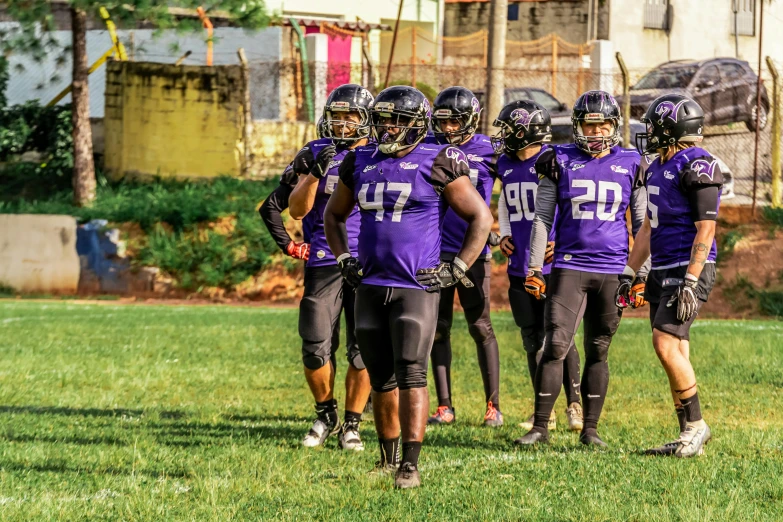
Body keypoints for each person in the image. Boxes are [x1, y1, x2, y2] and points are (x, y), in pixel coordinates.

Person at [324, 85, 492, 489]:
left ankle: (410, 466)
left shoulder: (437, 159)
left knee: (412, 372)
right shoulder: (360, 160)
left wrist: (457, 267)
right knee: (380, 374)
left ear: (417, 124)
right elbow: (334, 215)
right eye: (382, 120)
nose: (387, 128)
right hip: (370, 283)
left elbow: (481, 218)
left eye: (397, 120)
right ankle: (388, 458)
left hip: (414, 285)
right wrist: (344, 258)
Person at [514, 90, 647, 448]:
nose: (596, 132)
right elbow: (542, 218)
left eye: (603, 124)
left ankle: (590, 429)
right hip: (570, 266)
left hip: (613, 268)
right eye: (589, 125)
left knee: (598, 349)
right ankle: (540, 426)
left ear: (615, 126)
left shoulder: (632, 162)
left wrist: (642, 273)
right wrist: (534, 266)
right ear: (577, 127)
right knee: (555, 343)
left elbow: (644, 224)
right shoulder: (557, 159)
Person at [618, 94, 721, 458]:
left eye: (654, 126)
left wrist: (692, 280)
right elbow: (647, 227)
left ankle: (696, 426)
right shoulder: (659, 166)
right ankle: (686, 435)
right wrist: (630, 271)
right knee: (676, 348)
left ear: (671, 129)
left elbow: (705, 229)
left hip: (687, 267)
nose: (648, 132)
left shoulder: (698, 163)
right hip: (662, 266)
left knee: (664, 344)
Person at [492, 99, 583, 433]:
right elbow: (504, 199)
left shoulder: (554, 159)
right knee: (531, 338)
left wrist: (561, 240)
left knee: (561, 336)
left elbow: (571, 202)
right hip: (519, 264)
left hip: (551, 264)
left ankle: (575, 403)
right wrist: (502, 232)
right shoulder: (505, 163)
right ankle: (544, 408)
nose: (502, 136)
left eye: (507, 129)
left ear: (523, 130)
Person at [426, 86, 503, 427]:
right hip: (432, 252)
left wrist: (505, 231)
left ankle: (493, 406)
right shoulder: (426, 147)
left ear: (471, 119)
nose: (450, 129)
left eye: (457, 122)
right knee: (437, 329)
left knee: (480, 326)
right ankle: (445, 406)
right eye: (444, 122)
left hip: (474, 253)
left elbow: (520, 187)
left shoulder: (489, 150)